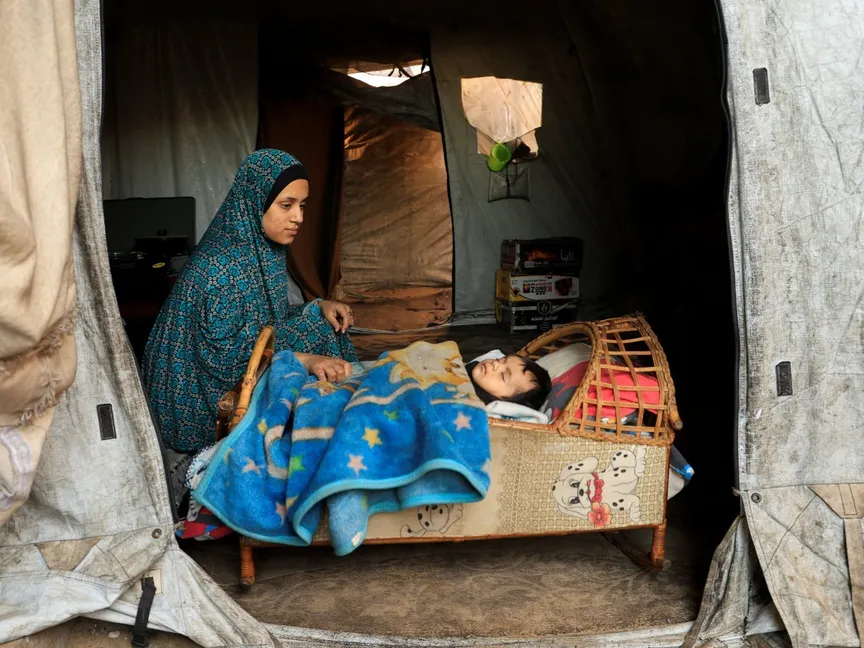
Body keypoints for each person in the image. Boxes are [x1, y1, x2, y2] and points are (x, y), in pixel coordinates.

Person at [142, 149, 357, 453]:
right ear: (255, 202)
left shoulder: (260, 247)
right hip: (192, 402)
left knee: (323, 324)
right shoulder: (221, 267)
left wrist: (319, 305)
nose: (298, 217)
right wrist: (305, 359)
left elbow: (263, 321)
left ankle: (333, 423)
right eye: (286, 205)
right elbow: (227, 360)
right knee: (317, 338)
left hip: (235, 355)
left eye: (302, 205)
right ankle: (332, 433)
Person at [466, 351, 551, 410]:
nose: (495, 364)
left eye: (503, 376)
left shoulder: (477, 404)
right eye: (499, 360)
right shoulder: (472, 368)